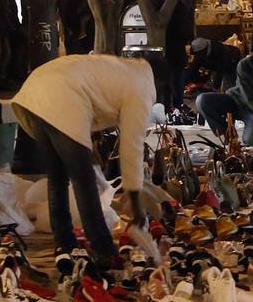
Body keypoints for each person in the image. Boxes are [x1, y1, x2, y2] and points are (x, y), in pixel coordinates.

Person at [10, 55, 159, 270]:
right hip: (62, 96)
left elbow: (94, 94)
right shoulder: (144, 89)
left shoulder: (127, 70)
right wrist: (135, 200)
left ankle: (64, 244)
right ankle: (103, 248)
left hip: (35, 91)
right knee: (83, 178)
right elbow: (132, 146)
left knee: (58, 176)